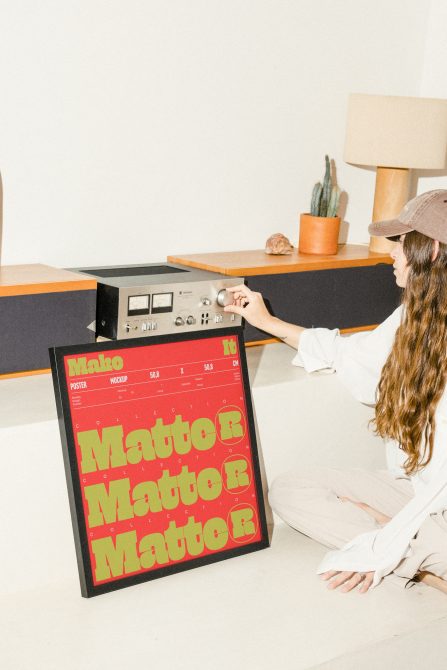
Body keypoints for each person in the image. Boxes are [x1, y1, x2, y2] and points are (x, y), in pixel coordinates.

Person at [224, 189, 447, 595]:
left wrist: (385, 538)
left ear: (430, 250)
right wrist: (267, 321)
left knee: (417, 536)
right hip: (417, 494)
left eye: (400, 243)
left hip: (440, 504)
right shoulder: (414, 317)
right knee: (291, 492)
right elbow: (349, 354)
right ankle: (419, 564)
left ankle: (408, 558)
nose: (392, 253)